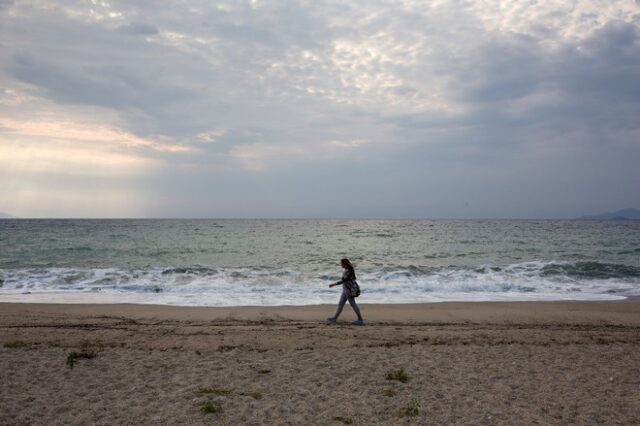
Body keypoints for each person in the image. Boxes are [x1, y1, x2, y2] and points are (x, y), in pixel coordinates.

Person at [327, 258, 364, 325]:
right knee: (341, 304)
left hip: (349, 290)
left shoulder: (348, 271)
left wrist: (333, 284)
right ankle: (334, 318)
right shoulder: (349, 270)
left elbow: (343, 281)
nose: (341, 265)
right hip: (346, 289)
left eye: (341, 264)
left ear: (345, 264)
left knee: (353, 304)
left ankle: (360, 319)